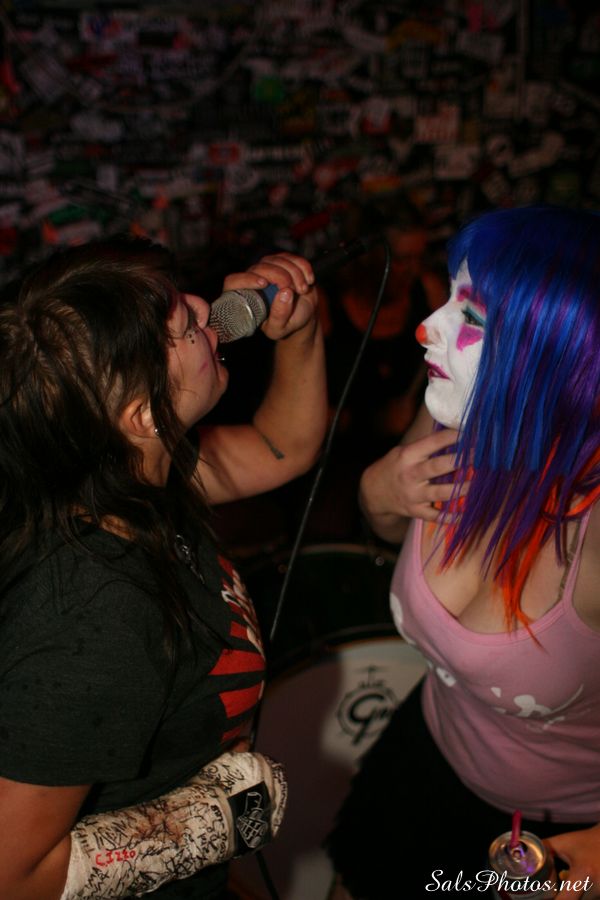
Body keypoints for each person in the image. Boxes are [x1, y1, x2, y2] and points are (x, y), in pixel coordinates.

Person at [0, 237, 327, 899]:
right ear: (142, 415)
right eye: (182, 325)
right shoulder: (94, 620)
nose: (207, 307)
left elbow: (281, 446)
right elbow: (10, 875)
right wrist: (198, 825)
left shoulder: (128, 480)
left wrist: (299, 331)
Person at [327, 206, 600, 899]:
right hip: (427, 754)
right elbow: (395, 532)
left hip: (555, 830)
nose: (428, 327)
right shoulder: (454, 408)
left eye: (470, 314)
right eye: (449, 295)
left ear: (552, 357)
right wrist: (377, 496)